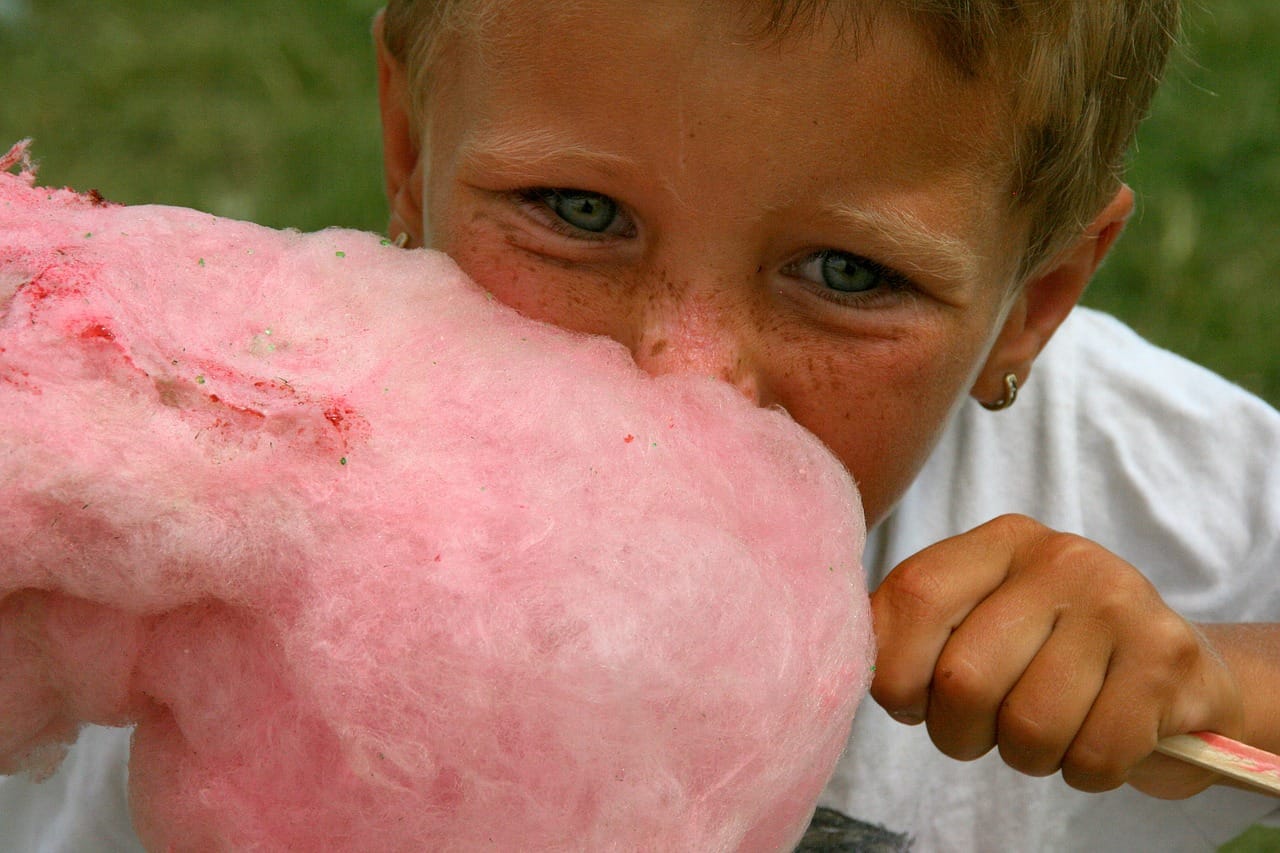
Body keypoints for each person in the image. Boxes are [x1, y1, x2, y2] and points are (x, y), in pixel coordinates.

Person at [2, 1, 1277, 850]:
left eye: (846, 277)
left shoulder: (1138, 488)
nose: (684, 377)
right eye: (575, 211)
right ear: (407, 140)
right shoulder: (201, 463)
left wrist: (1216, 685)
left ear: (1034, 298)